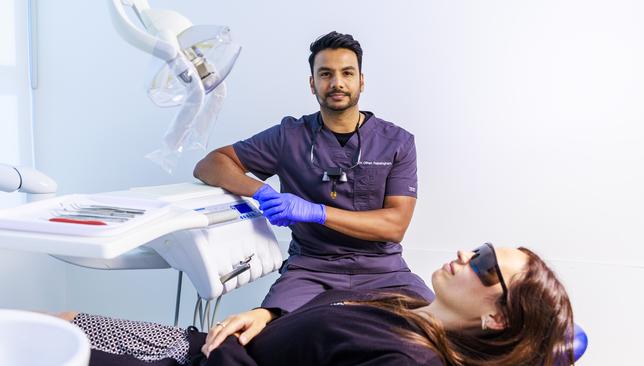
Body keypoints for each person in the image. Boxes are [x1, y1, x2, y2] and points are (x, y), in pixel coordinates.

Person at [193, 31, 434, 316]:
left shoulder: (396, 142)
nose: (337, 83)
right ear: (312, 83)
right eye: (325, 74)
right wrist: (260, 190)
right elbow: (210, 164)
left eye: (347, 73)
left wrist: (316, 211)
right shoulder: (289, 137)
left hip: (382, 269)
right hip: (310, 268)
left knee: (436, 328)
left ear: (362, 81)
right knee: (273, 331)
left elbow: (394, 226)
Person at [59, 244, 576, 366]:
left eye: (485, 265)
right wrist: (269, 313)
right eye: (481, 247)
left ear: (497, 318)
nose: (467, 253)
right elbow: (330, 286)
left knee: (40, 348)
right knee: (60, 323)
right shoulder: (411, 297)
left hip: (201, 363)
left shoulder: (408, 361)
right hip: (207, 345)